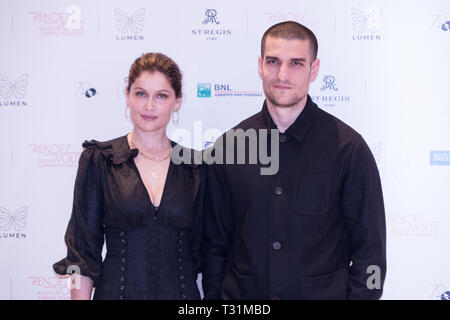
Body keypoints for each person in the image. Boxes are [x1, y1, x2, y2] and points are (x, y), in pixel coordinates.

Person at [202, 21, 386, 300]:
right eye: (273, 61)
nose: (282, 74)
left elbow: (370, 251)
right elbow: (214, 246)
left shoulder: (349, 149)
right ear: (260, 65)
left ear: (314, 69)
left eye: (296, 63)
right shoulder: (229, 147)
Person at [53, 53, 204, 300]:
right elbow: (83, 252)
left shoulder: (195, 168)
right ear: (127, 96)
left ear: (177, 101)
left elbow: (203, 255)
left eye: (161, 96)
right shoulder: (100, 161)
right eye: (141, 93)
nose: (149, 106)